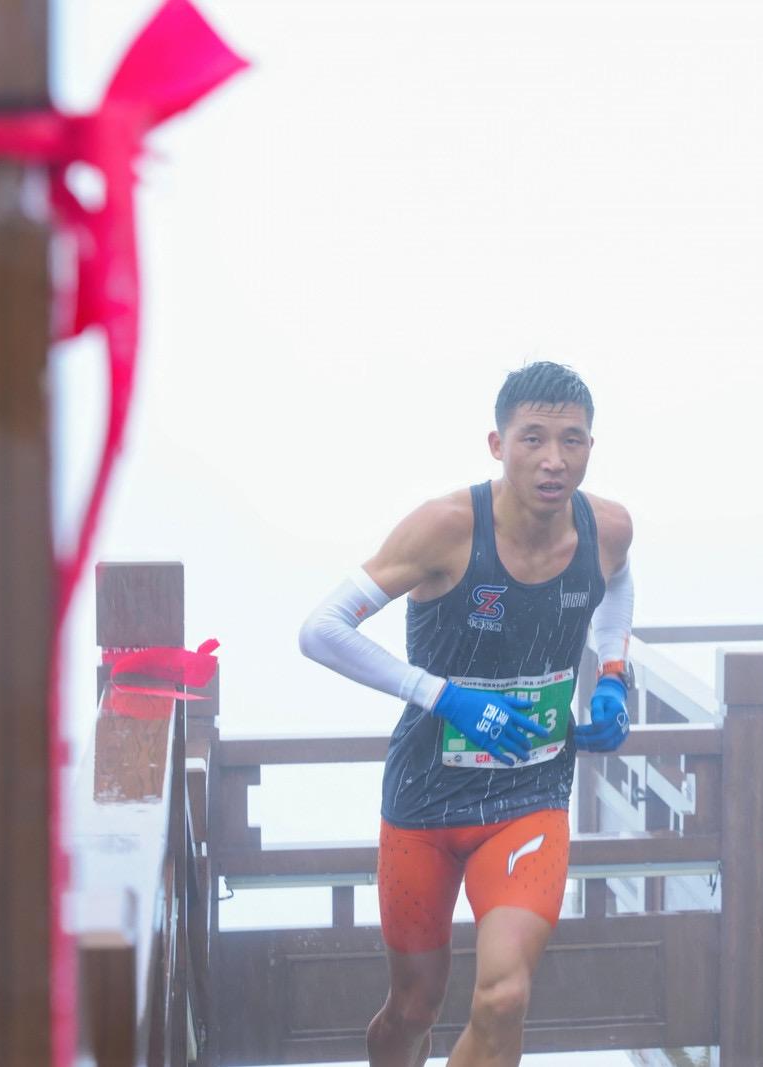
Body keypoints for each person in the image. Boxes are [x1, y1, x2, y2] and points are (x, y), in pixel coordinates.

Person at [298, 362, 634, 1066]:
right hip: (425, 798)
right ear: (497, 444)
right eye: (533, 438)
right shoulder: (446, 528)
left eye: (571, 440)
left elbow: (618, 582)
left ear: (590, 447)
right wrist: (446, 696)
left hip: (530, 795)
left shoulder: (607, 527)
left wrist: (611, 674)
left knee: (504, 997)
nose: (553, 459)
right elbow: (321, 630)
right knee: (413, 1006)